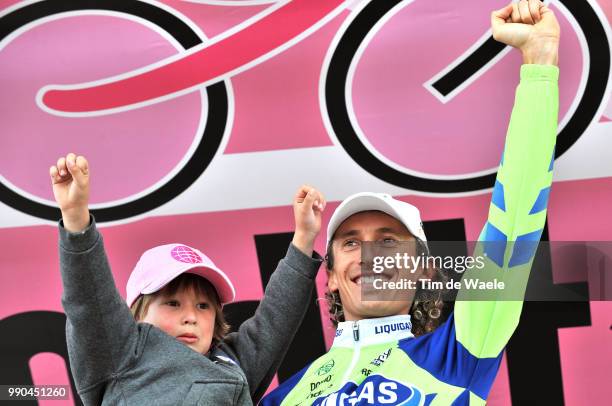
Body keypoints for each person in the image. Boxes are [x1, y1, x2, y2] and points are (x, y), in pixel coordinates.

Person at [261, 1, 560, 404]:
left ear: (423, 271)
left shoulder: (458, 355)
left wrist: (539, 68)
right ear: (330, 276)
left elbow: (514, 222)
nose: (368, 255)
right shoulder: (282, 397)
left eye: (388, 241)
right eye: (350, 242)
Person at [49, 154, 327, 405]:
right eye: (173, 303)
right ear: (135, 316)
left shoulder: (232, 361)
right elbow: (89, 299)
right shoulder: (122, 354)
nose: (190, 317)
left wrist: (303, 238)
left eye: (203, 306)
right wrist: (76, 219)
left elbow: (275, 319)